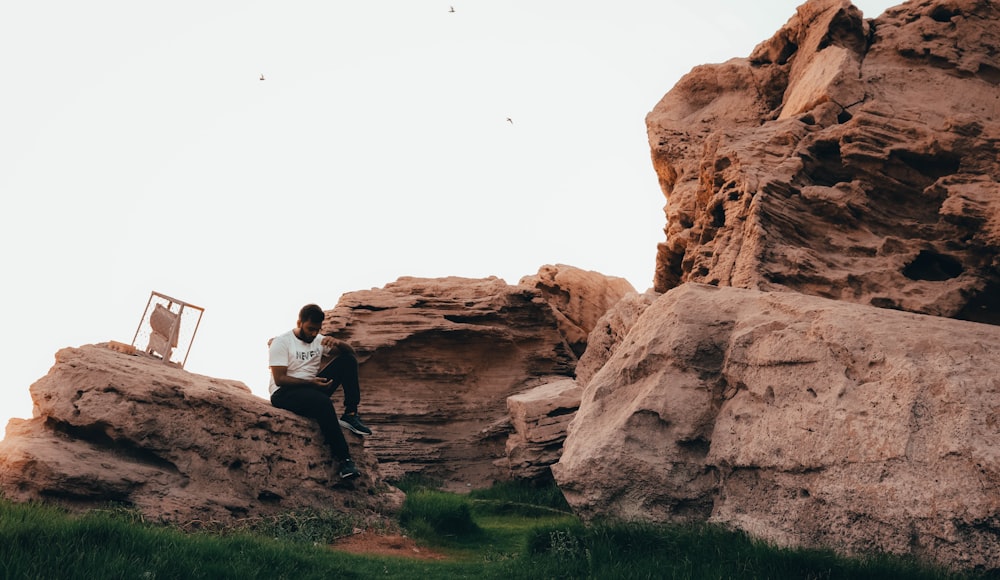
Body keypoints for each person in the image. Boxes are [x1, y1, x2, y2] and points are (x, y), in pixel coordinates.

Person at [268, 303, 372, 480]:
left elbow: (352, 353)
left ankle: (351, 413)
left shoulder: (318, 340)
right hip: (284, 393)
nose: (314, 334)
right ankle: (345, 461)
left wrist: (339, 343)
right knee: (323, 403)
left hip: (312, 389)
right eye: (310, 329)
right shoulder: (282, 342)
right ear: (299, 322)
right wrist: (310, 383)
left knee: (347, 360)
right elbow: (280, 379)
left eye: (317, 329)